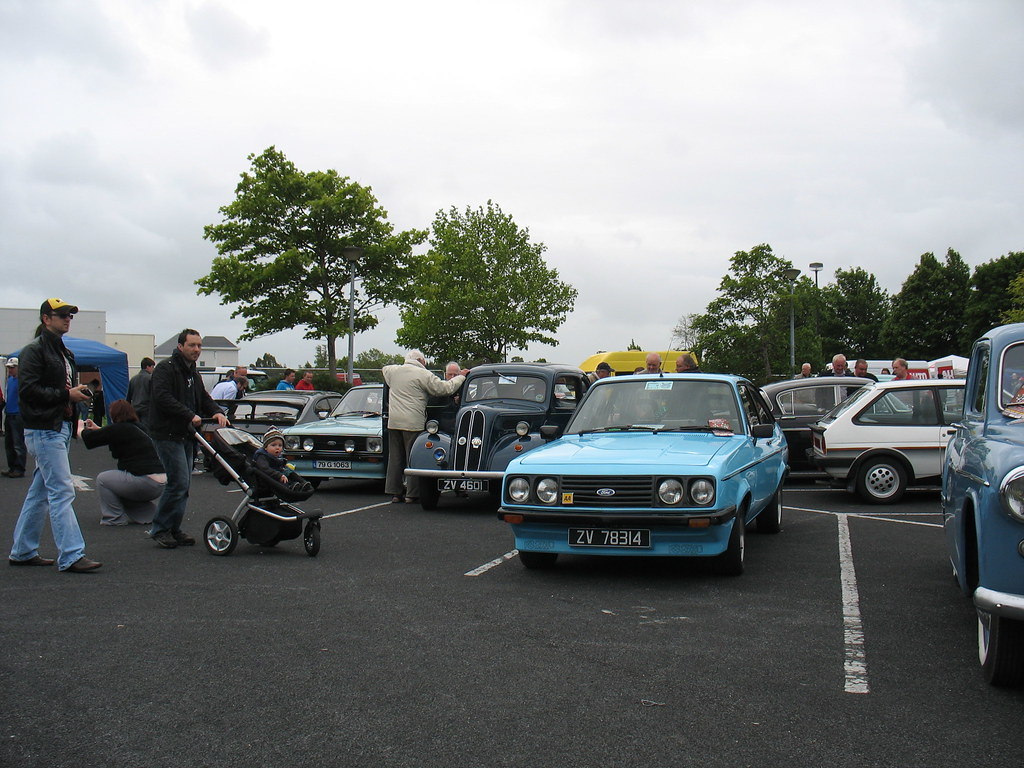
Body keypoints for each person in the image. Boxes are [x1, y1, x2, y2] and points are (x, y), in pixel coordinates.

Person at [9, 298, 101, 572]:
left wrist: (75, 393)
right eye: (61, 315)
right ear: (46, 319)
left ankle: (22, 550)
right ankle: (71, 554)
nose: (67, 319)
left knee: (40, 492)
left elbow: (47, 388)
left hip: (57, 427)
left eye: (70, 315)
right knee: (61, 490)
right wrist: (66, 394)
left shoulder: (63, 353)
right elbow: (27, 391)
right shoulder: (34, 352)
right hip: (44, 429)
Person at [147, 329, 229, 549]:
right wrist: (188, 414)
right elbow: (162, 397)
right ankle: (160, 529)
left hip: (186, 435)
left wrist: (217, 411)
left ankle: (173, 528)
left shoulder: (193, 372)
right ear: (180, 346)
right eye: (192, 345)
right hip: (167, 434)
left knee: (184, 485)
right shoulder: (166, 369)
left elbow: (203, 397)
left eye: (199, 346)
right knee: (178, 482)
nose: (197, 350)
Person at [382, 350, 467, 503]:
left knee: (395, 458)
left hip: (394, 421)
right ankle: (412, 494)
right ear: (421, 361)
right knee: (413, 458)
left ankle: (394, 492)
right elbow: (445, 389)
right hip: (412, 421)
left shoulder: (393, 371)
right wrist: (461, 377)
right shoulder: (423, 374)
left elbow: (385, 369)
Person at [81, 399, 166, 526]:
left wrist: (80, 428)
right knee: (119, 485)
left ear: (115, 415)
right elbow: (113, 435)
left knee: (103, 479)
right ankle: (153, 515)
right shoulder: (139, 427)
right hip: (159, 483)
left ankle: (113, 518)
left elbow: (90, 439)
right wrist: (99, 429)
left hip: (144, 482)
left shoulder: (120, 429)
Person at [3, 357, 26, 478]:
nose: (10, 370)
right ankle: (12, 466)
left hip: (18, 414)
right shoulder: (10, 380)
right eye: (9, 368)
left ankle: (19, 467)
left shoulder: (22, 381)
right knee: (9, 443)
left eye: (12, 367)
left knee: (18, 442)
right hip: (9, 412)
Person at [128, 357, 155, 423]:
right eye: (152, 367)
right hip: (147, 410)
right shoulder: (151, 379)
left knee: (136, 430)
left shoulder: (133, 379)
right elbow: (154, 395)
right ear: (147, 367)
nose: (153, 369)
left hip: (135, 410)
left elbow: (128, 397)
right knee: (146, 431)